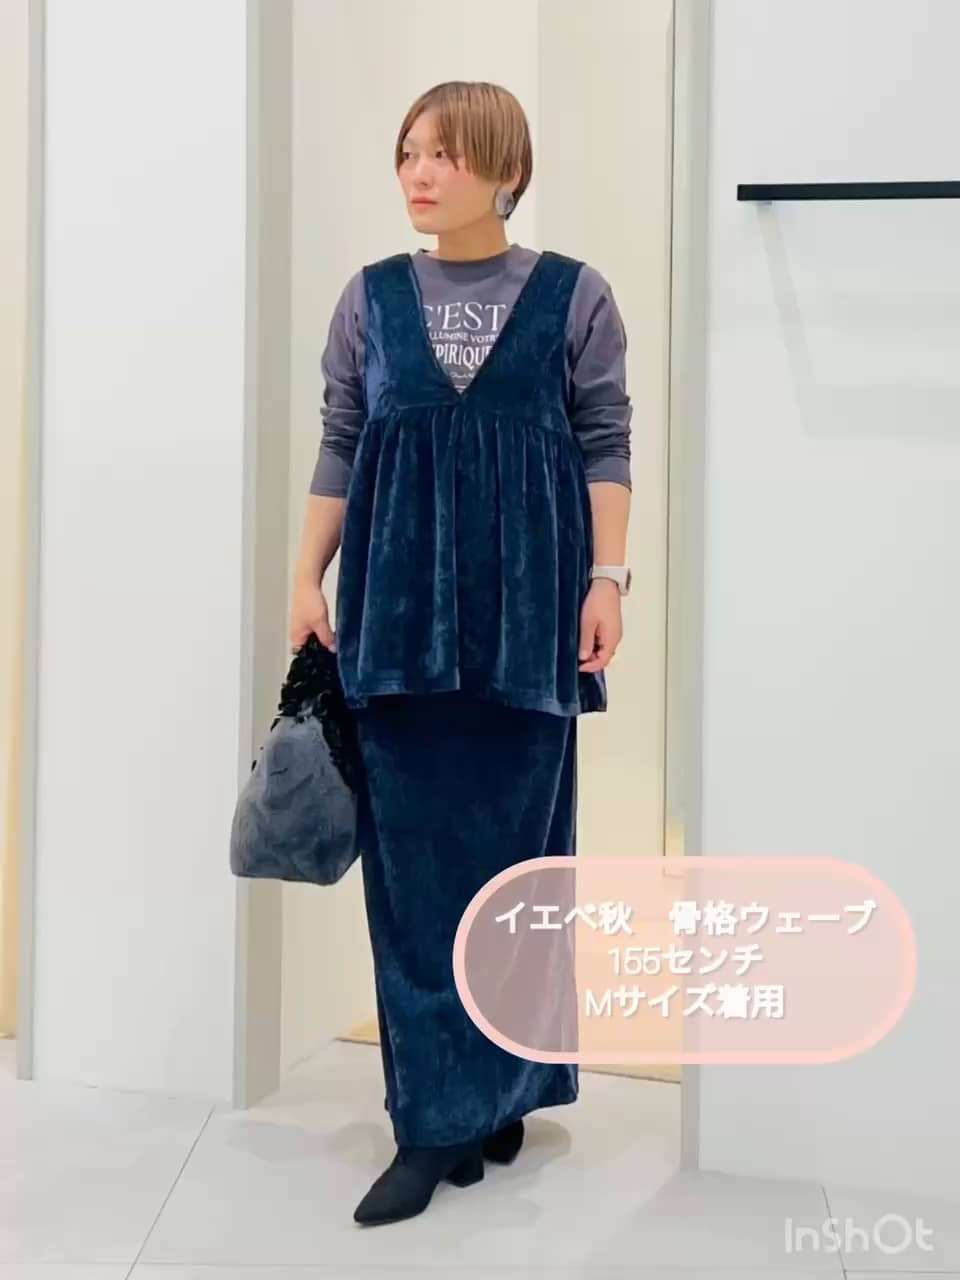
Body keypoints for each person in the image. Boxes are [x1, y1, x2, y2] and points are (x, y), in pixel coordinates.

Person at [288, 80, 632, 1227]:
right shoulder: (370, 299)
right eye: (407, 153)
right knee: (414, 877)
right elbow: (341, 440)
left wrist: (608, 578)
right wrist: (305, 575)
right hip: (394, 621)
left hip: (530, 624)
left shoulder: (576, 296)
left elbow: (605, 442)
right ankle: (432, 1119)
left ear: (506, 169)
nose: (419, 174)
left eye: (444, 153)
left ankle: (498, 1091)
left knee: (520, 871)